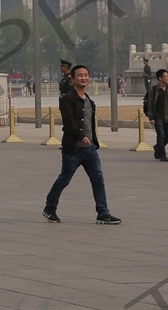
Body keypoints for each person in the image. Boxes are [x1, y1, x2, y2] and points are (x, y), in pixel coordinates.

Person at [44, 63, 121, 223]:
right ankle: (50, 208)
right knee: (64, 179)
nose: (84, 78)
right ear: (72, 79)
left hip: (90, 149)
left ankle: (103, 212)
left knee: (98, 179)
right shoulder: (67, 99)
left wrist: (93, 141)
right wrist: (80, 136)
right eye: (80, 75)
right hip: (73, 148)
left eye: (86, 75)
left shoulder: (90, 101)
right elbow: (69, 121)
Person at [145, 67, 168, 162]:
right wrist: (151, 117)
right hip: (157, 116)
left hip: (167, 116)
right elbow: (150, 104)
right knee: (161, 136)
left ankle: (158, 147)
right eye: (165, 76)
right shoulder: (154, 89)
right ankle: (162, 155)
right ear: (160, 78)